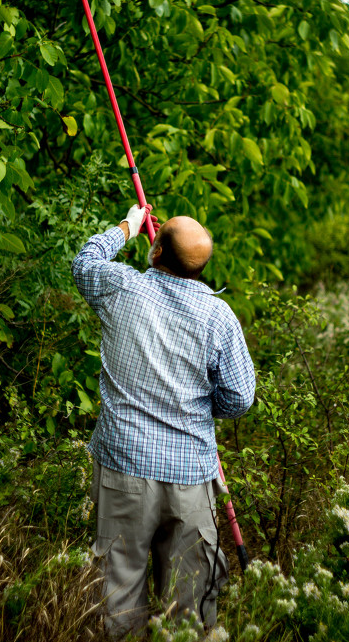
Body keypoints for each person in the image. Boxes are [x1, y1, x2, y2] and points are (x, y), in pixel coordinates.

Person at [72, 204, 256, 638]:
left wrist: (127, 226)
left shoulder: (121, 287)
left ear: (155, 251)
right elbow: (240, 398)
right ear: (201, 267)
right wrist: (198, 407)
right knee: (189, 607)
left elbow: (84, 263)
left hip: (123, 468)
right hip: (191, 475)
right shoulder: (219, 317)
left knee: (118, 590)